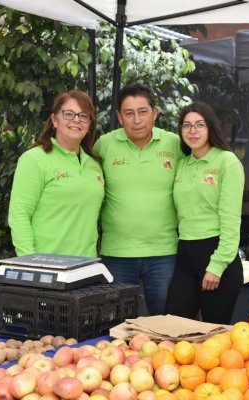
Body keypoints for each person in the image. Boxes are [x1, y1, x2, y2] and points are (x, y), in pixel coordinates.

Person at [94, 83, 182, 316]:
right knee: (115, 323)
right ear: (119, 117)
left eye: (143, 112)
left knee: (164, 322)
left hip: (164, 253)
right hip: (117, 254)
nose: (137, 120)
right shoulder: (104, 145)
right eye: (129, 113)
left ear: (155, 113)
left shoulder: (175, 144)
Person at [165, 102, 245, 324]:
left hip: (217, 254)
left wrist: (217, 265)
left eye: (200, 125)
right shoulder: (182, 164)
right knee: (173, 327)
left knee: (213, 340)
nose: (193, 131)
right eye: (187, 125)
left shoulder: (227, 161)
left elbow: (231, 220)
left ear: (211, 127)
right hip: (185, 254)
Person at [8, 89, 104, 257]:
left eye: (83, 116)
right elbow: (19, 215)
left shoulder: (94, 165)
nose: (76, 120)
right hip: (46, 266)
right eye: (68, 114)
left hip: (86, 266)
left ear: (89, 126)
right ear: (54, 120)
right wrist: (30, 263)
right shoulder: (34, 159)